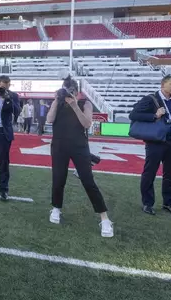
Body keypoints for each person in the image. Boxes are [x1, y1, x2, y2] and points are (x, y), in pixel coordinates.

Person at [47, 77, 113, 237]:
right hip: (59, 146)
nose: (67, 94)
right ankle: (56, 208)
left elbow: (87, 124)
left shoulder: (85, 104)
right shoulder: (59, 103)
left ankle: (104, 218)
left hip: (79, 146)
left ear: (77, 92)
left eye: (70, 91)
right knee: (58, 179)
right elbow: (49, 120)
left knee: (88, 181)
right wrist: (56, 100)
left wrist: (75, 105)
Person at [129, 75, 171, 217]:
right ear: (163, 84)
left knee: (170, 174)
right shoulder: (150, 99)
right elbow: (133, 115)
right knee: (150, 173)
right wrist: (154, 116)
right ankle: (147, 203)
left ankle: (169, 203)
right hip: (155, 142)